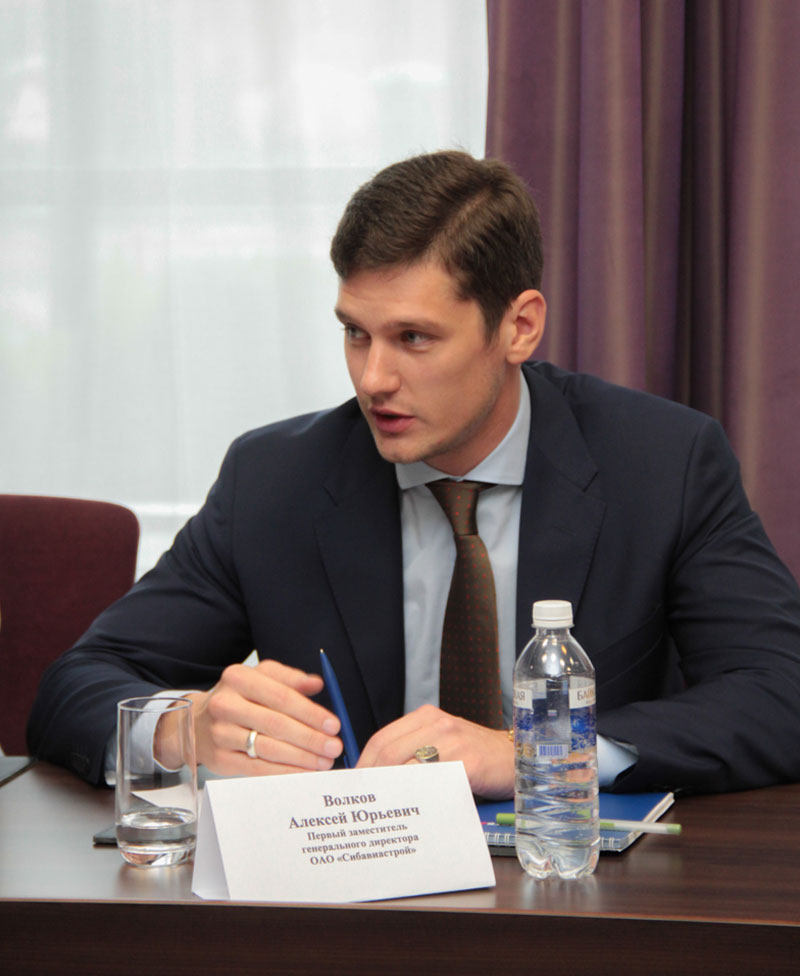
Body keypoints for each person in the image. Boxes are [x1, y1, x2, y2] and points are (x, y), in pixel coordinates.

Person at [27, 151, 800, 798]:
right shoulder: (274, 480)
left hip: (580, 884)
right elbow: (78, 684)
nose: (374, 379)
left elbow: (781, 691)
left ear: (519, 327)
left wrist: (538, 751)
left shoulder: (662, 462)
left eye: (414, 339)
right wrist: (182, 729)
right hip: (351, 893)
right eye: (355, 334)